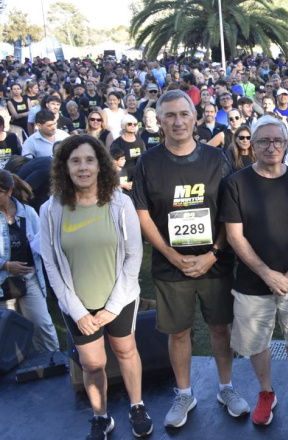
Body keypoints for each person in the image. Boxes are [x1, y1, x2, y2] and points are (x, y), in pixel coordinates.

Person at [131, 90, 248, 428]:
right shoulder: (148, 162)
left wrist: (213, 254)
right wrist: (170, 254)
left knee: (220, 328)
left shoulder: (216, 159)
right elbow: (143, 214)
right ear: (159, 121)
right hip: (171, 266)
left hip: (215, 263)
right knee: (179, 332)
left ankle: (226, 387)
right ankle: (184, 393)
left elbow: (231, 212)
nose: (178, 121)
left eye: (184, 114)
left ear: (195, 117)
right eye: (169, 115)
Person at [39, 135, 153, 439]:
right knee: (92, 363)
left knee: (126, 350)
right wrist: (77, 311)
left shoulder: (120, 202)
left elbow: (134, 256)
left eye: (89, 160)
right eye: (75, 161)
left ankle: (137, 405)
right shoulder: (50, 210)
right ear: (64, 167)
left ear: (101, 164)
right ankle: (101, 417)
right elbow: (50, 265)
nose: (83, 167)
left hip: (120, 299)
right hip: (78, 305)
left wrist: (113, 306)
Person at [221, 115, 288, 425]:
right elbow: (234, 236)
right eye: (264, 141)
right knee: (256, 341)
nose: (272, 147)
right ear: (252, 146)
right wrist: (267, 273)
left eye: (278, 141)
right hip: (254, 281)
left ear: (286, 144)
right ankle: (266, 393)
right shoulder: (236, 184)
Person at [0, 170, 59, 352]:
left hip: (30, 278)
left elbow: (42, 242)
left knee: (42, 325)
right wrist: (5, 265)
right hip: (3, 281)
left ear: (9, 191)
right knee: (7, 330)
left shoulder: (29, 213)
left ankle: (56, 362)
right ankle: (12, 373)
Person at [109, 115, 146, 188]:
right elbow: (113, 162)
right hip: (122, 177)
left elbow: (144, 158)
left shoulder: (140, 142)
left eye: (135, 124)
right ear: (123, 126)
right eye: (129, 124)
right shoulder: (117, 143)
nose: (132, 126)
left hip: (137, 176)